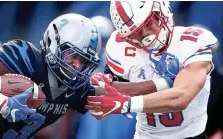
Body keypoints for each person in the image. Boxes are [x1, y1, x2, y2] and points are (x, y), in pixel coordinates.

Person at [0, 13, 102, 139]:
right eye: (72, 56)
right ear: (54, 43)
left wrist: (126, 99)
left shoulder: (76, 89)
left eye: (83, 61)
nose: (77, 66)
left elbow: (110, 96)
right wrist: (2, 103)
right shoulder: (27, 60)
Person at [85, 1, 217, 139]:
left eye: (148, 23)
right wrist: (105, 84)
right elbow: (119, 90)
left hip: (191, 136)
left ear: (162, 11)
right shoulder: (120, 47)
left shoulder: (193, 41)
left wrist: (126, 104)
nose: (145, 35)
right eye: (136, 33)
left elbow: (181, 97)